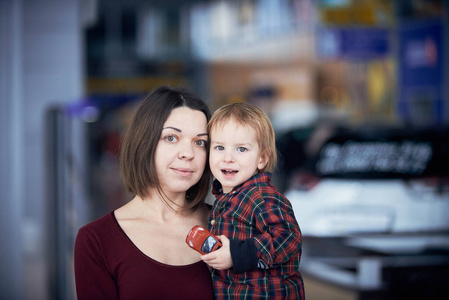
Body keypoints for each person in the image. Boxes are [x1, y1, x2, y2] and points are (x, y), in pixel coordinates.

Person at [74, 86, 215, 299]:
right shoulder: (97, 240)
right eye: (171, 138)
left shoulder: (229, 225)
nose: (188, 153)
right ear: (144, 143)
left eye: (200, 142)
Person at [201, 102, 305, 299]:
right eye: (219, 147)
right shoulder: (227, 199)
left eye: (241, 149)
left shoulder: (261, 197)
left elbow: (288, 238)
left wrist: (236, 254)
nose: (228, 158)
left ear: (261, 159)